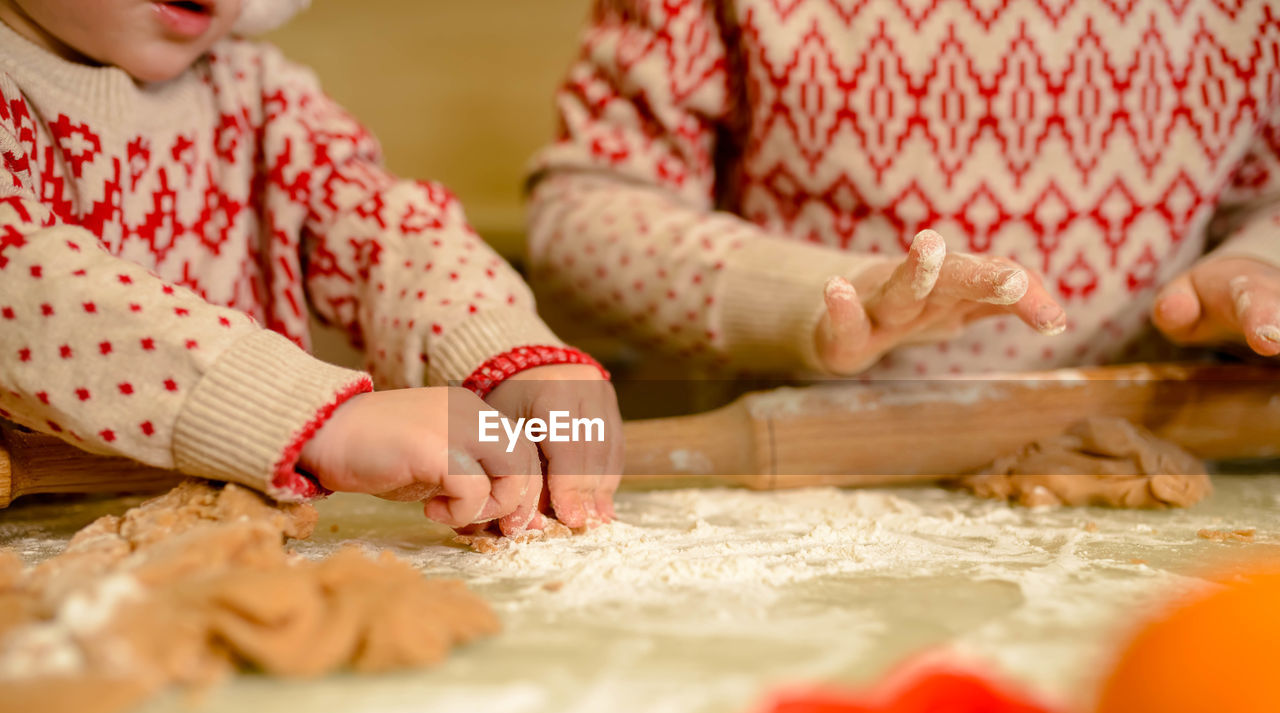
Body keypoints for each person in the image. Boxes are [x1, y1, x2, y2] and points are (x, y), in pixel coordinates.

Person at [0, 0, 622, 534]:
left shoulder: (259, 95)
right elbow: (24, 284)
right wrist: (313, 416)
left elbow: (384, 229)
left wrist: (509, 354)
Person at [526, 0, 1279, 379]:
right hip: (810, 480)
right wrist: (824, 298)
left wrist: (1259, 261)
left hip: (1161, 462)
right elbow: (583, 218)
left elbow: (1265, 193)